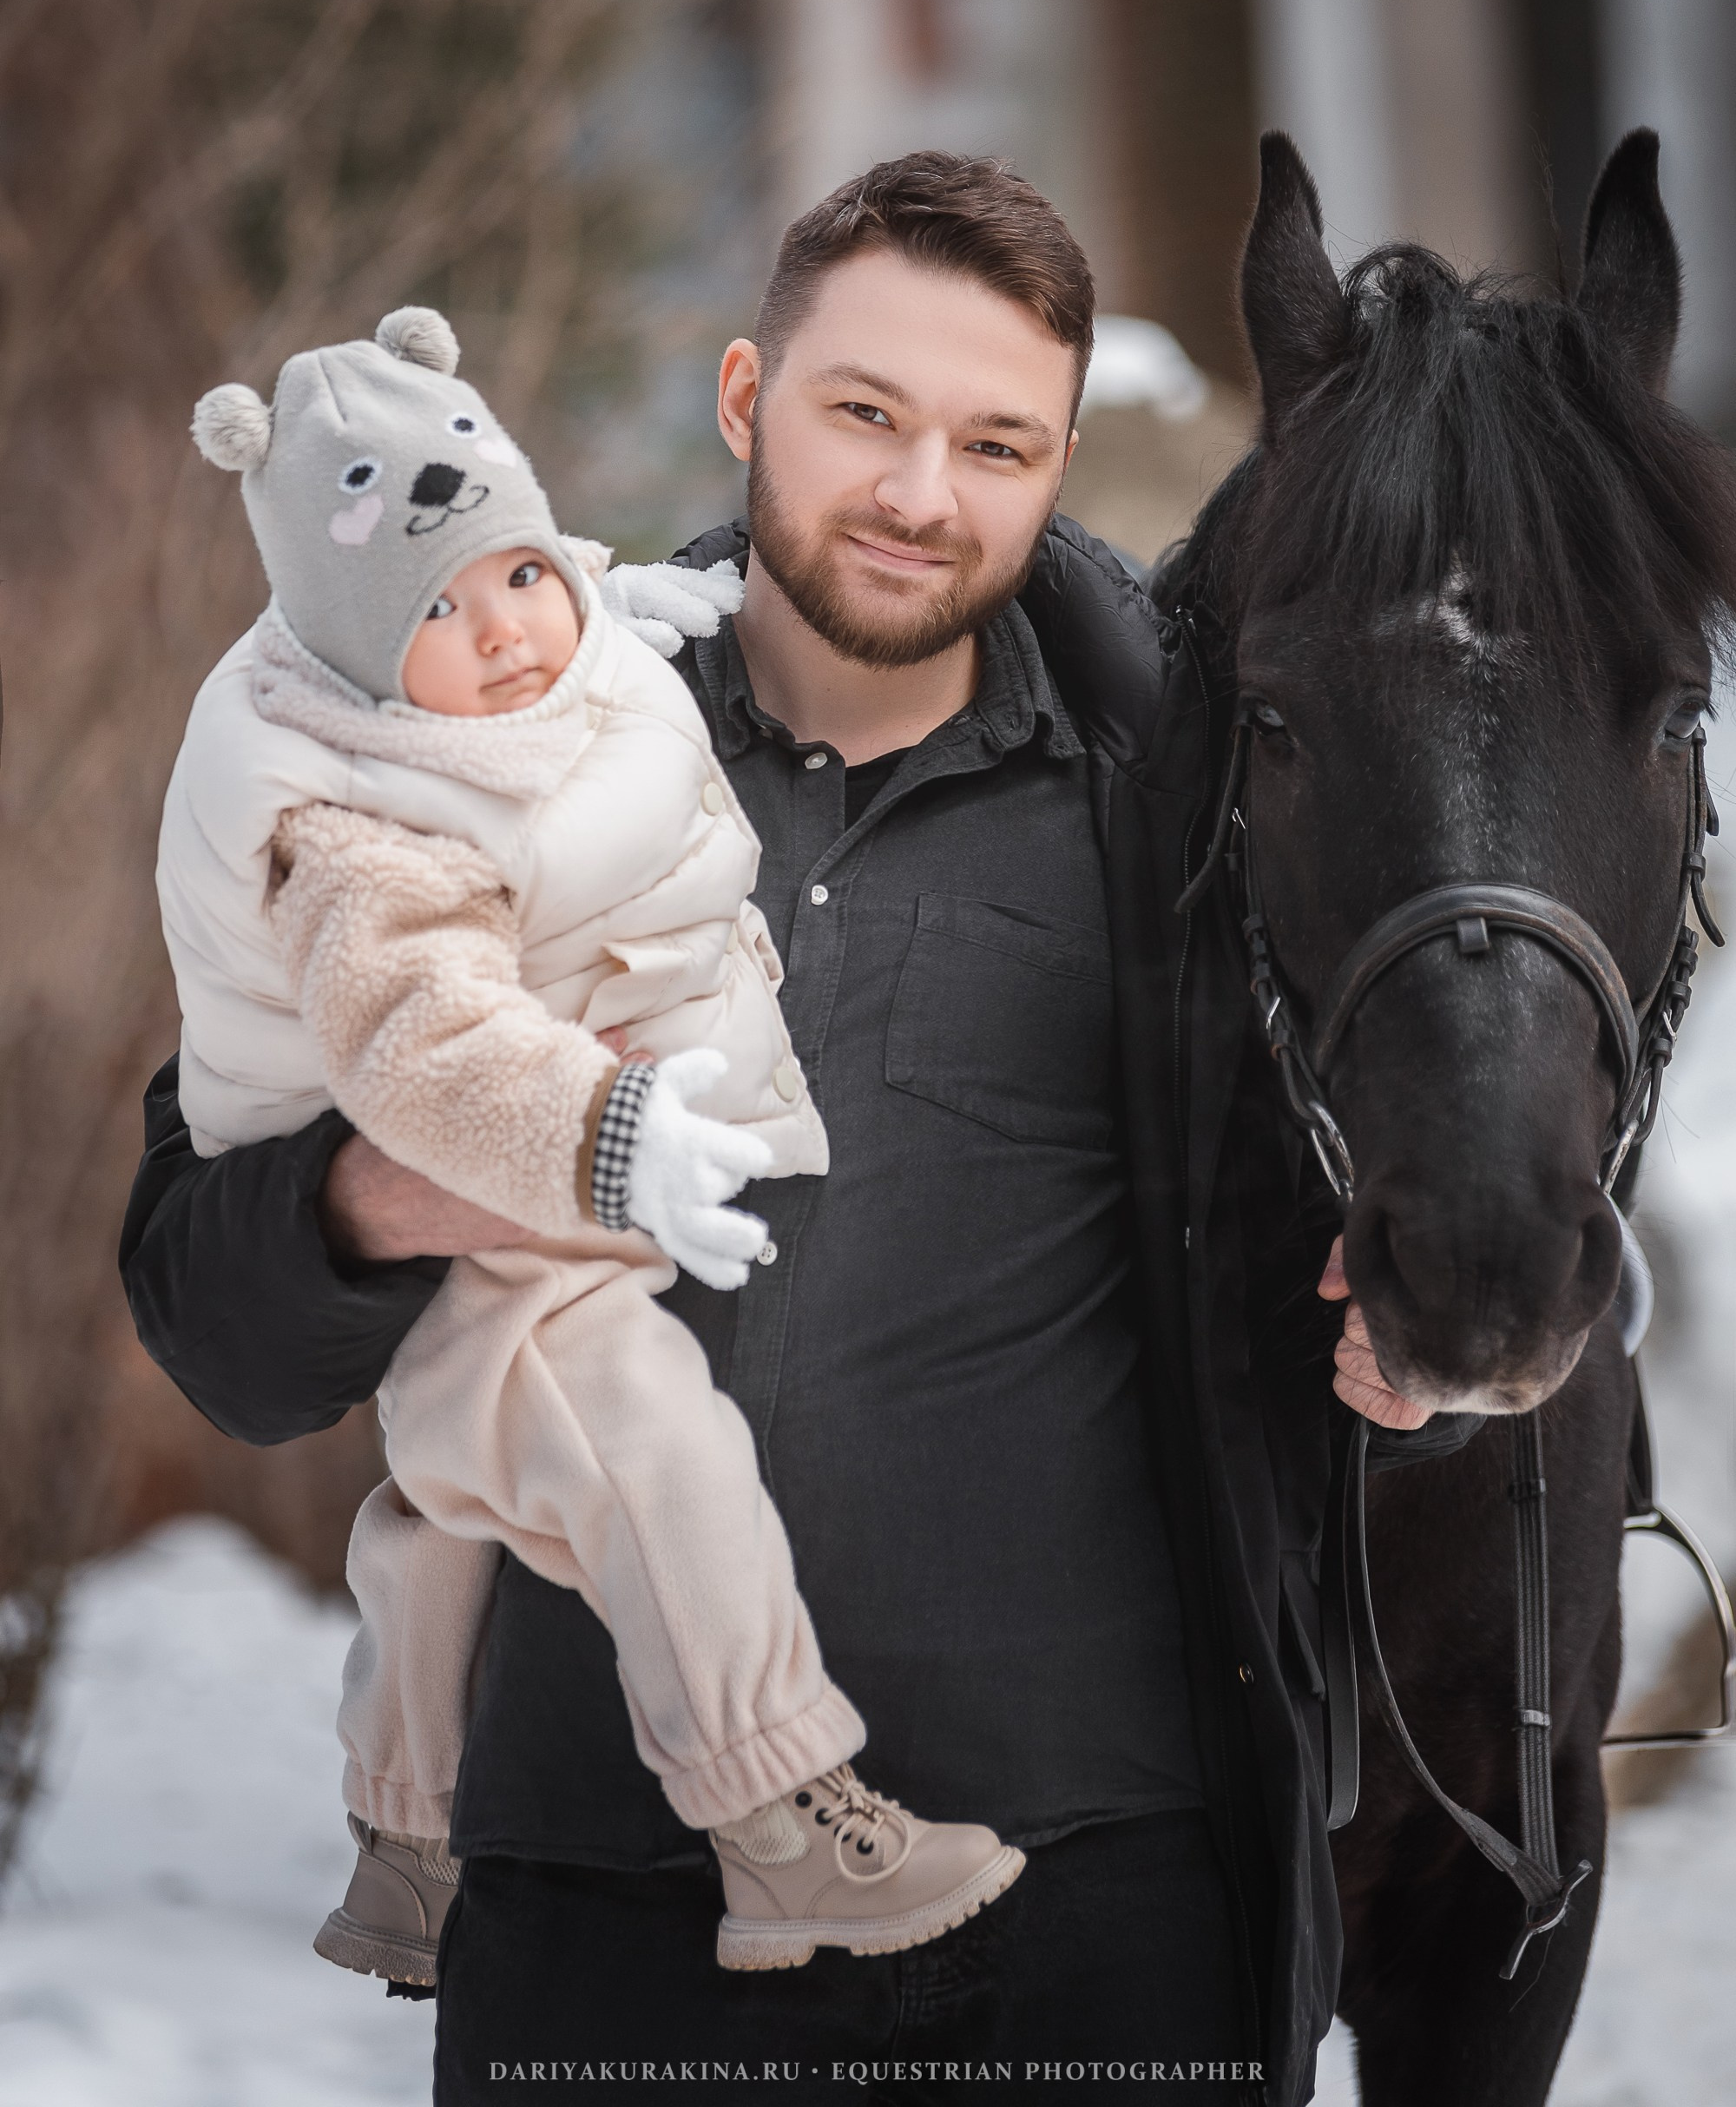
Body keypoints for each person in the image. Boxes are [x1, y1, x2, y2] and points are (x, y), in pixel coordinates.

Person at [123, 153, 1470, 2103]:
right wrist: (388, 1185)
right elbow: (201, 1310)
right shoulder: (456, 762)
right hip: (608, 1925)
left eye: (998, 443)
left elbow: (1311, 1237)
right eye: (867, 415)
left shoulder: (1175, 815)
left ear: (1061, 461)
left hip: (1106, 1918)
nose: (925, 495)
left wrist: (1381, 1319)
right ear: (749, 401)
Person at [157, 304, 1023, 1989]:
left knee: (458, 1503)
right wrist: (610, 1138)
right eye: (439, 610)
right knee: (641, 1443)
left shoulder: (541, 654)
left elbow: (554, 644)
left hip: (539, 1154)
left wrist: (631, 605)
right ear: (348, 657)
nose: (504, 636)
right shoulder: (345, 831)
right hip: (476, 1175)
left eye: (523, 578)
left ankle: (409, 1849)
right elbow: (428, 1048)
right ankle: (781, 1823)